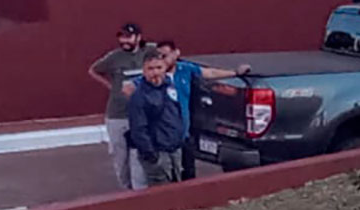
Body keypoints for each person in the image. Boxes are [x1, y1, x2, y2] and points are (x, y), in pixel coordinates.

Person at [158, 41, 249, 181]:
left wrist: (235, 72)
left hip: (184, 134)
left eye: (165, 55)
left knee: (188, 173)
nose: (163, 59)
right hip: (164, 137)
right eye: (159, 56)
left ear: (176, 53)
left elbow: (209, 72)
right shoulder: (155, 76)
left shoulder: (185, 69)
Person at [90, 22, 152, 190]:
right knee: (121, 157)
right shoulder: (114, 57)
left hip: (140, 114)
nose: (124, 40)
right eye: (122, 37)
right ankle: (126, 190)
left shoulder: (149, 52)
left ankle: (140, 191)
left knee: (139, 154)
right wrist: (110, 86)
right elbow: (93, 70)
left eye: (128, 37)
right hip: (117, 114)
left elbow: (165, 56)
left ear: (138, 38)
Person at [127, 52, 187, 186]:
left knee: (177, 187)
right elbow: (138, 129)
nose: (155, 72)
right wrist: (151, 155)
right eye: (151, 69)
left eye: (159, 68)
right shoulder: (139, 96)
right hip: (158, 152)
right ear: (143, 71)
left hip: (174, 149)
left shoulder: (170, 86)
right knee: (162, 193)